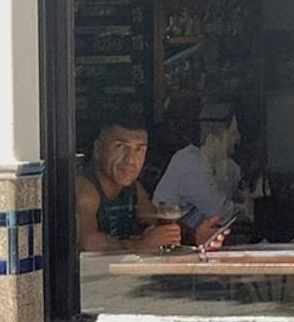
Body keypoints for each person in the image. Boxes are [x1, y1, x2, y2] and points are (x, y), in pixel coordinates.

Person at [76, 116, 228, 253]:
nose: (131, 160)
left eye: (139, 149)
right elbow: (87, 243)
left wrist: (195, 237)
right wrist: (141, 245)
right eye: (121, 147)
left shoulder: (133, 189)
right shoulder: (84, 189)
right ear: (98, 149)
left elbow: (155, 222)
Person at [152, 100, 244, 235]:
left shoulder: (225, 166)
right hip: (172, 240)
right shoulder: (190, 164)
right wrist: (249, 208)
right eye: (233, 132)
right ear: (212, 138)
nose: (238, 137)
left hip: (194, 239)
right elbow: (220, 213)